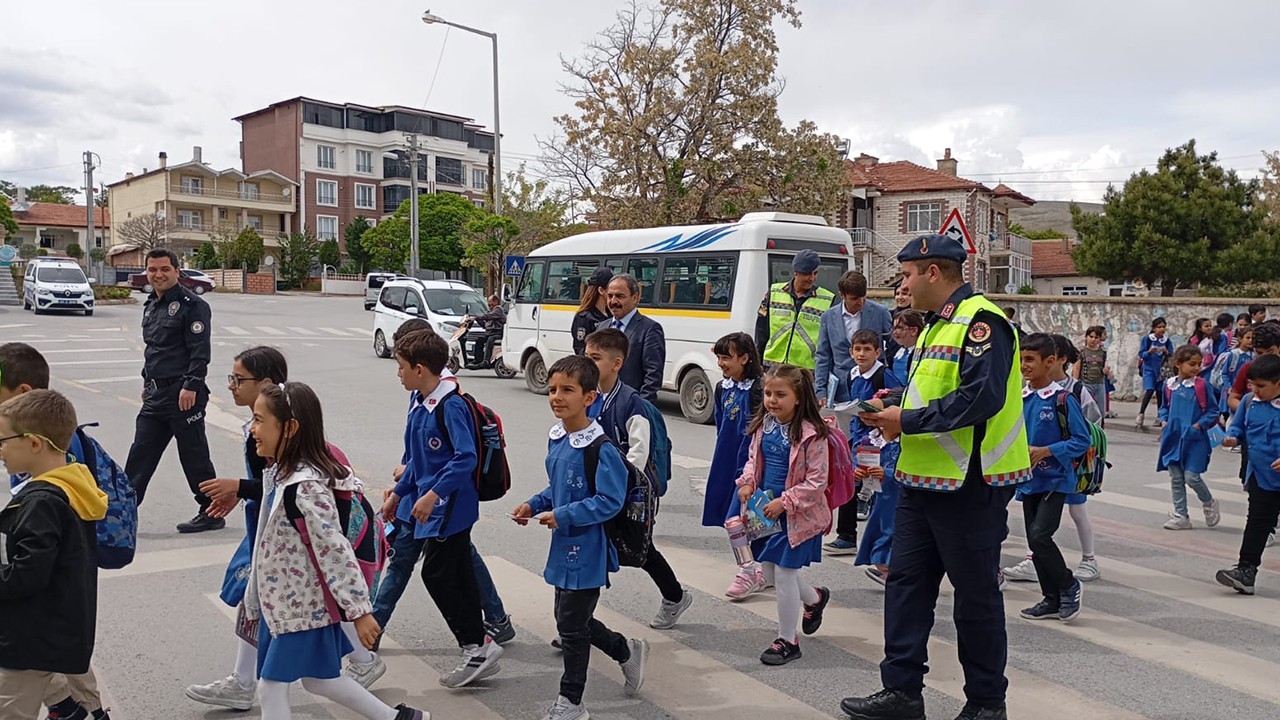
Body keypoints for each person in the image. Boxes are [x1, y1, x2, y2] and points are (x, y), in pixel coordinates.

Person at [843, 233, 1030, 720]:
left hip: (970, 484)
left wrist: (906, 420)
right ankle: (902, 692)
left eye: (906, 274)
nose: (901, 285)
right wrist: (893, 402)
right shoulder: (933, 326)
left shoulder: (982, 321)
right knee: (905, 588)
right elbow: (931, 390)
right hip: (919, 478)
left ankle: (987, 704)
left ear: (932, 271)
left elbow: (979, 398)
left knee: (975, 600)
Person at [242, 382, 426, 720]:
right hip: (283, 606)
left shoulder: (305, 485)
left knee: (271, 685)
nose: (252, 429)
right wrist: (253, 599)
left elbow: (334, 550)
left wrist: (360, 611)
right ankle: (398, 718)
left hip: (302, 609)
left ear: (290, 427)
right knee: (319, 680)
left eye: (258, 420)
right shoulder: (280, 473)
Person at [511, 355, 648, 720]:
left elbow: (609, 501)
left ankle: (571, 701)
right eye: (553, 389)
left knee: (571, 628)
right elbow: (559, 486)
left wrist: (563, 515)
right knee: (571, 621)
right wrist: (533, 503)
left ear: (589, 397)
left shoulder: (600, 448)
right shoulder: (558, 438)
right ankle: (625, 649)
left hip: (588, 549)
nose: (556, 396)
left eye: (567, 390)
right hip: (563, 546)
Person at [371, 322, 514, 651]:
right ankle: (483, 637)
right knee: (455, 566)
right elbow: (418, 459)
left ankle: (476, 644)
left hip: (444, 505)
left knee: (434, 572)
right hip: (423, 499)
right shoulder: (423, 399)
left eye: (400, 366)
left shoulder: (448, 402)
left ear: (420, 368)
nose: (398, 374)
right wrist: (399, 493)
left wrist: (431, 494)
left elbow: (465, 458)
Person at [0, 345, 111, 720]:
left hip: (30, 637)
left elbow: (28, 573)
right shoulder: (73, 484)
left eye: (3, 441)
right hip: (58, 627)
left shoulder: (41, 501)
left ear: (33, 444)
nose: (0, 451)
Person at [584, 329, 693, 629]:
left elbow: (639, 451)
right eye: (586, 355)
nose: (588, 362)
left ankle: (674, 596)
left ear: (616, 363)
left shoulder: (631, 403)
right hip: (596, 488)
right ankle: (579, 622)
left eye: (595, 358)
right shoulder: (588, 395)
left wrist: (617, 486)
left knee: (640, 550)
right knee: (593, 549)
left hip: (627, 491)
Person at [734, 364, 832, 666]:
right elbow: (753, 458)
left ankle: (787, 640)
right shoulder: (765, 424)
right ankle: (815, 598)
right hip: (765, 511)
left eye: (780, 394)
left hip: (796, 515)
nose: (772, 400)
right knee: (773, 572)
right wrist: (748, 481)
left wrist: (785, 502)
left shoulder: (813, 435)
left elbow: (817, 482)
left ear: (799, 397)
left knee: (786, 574)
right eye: (767, 393)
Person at [123, 248, 219, 533]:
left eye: (164, 269)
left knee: (194, 455)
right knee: (140, 454)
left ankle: (211, 510)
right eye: (152, 270)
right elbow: (154, 350)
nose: (158, 274)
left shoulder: (193, 305)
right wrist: (146, 382)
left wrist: (192, 384)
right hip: (155, 395)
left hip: (182, 394)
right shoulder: (151, 304)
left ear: (177, 271)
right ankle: (123, 513)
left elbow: (199, 351)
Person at [1003, 335, 1102, 585]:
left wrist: (1045, 451)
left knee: (1039, 537)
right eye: (1021, 359)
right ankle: (1050, 599)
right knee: (1034, 541)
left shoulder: (1064, 398)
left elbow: (1082, 440)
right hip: (1028, 479)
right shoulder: (1019, 397)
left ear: (1050, 362)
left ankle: (1069, 584)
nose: (1024, 365)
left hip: (1056, 478)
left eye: (1030, 359)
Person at [702, 333, 769, 600]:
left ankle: (748, 570)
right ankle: (758, 568)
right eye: (718, 357)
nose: (721, 363)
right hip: (725, 459)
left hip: (750, 463)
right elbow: (721, 421)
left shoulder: (758, 389)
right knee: (740, 518)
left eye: (726, 357)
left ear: (745, 357)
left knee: (740, 519)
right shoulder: (722, 388)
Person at [824, 329, 900, 556]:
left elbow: (897, 395)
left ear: (877, 352)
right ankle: (846, 535)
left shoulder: (882, 374)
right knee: (850, 482)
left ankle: (882, 543)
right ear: (851, 351)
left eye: (867, 349)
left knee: (877, 487)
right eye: (857, 349)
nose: (862, 354)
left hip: (877, 438)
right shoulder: (853, 373)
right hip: (857, 436)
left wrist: (879, 403)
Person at [1217, 354, 1280, 595]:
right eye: (1253, 385)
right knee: (1257, 523)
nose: (1256, 390)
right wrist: (1232, 436)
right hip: (1261, 476)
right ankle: (1246, 571)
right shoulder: (1248, 402)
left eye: (1262, 386)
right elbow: (1238, 427)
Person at [1158, 344, 1221, 531]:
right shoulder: (1169, 386)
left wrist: (1198, 425)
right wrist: (1163, 420)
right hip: (1173, 438)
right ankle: (1181, 515)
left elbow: (1213, 411)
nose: (1196, 368)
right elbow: (1164, 407)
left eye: (1199, 364)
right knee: (1176, 478)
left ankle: (1208, 502)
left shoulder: (1202, 385)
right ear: (1178, 363)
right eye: (1192, 364)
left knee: (1192, 477)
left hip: (1195, 439)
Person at [815, 270, 893, 406]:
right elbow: (823, 355)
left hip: (873, 388)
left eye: (863, 297)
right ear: (842, 295)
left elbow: (893, 346)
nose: (860, 302)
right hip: (841, 390)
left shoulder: (880, 312)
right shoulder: (828, 317)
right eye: (854, 298)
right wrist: (820, 390)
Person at [756, 249, 835, 369]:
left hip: (805, 370)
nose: (812, 278)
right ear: (796, 273)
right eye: (807, 273)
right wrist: (758, 361)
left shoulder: (827, 299)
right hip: (773, 366)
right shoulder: (774, 292)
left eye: (815, 273)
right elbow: (761, 329)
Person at [596, 274, 666, 402]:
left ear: (635, 298)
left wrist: (639, 407)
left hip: (630, 405)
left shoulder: (650, 329)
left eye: (620, 296)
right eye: (610, 296)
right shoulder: (602, 327)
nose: (613, 301)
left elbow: (653, 375)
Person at [1137, 317, 1174, 430]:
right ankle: (1141, 413)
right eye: (1159, 327)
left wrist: (1166, 351)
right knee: (1149, 389)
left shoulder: (1166, 341)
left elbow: (1172, 354)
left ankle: (1160, 416)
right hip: (1149, 369)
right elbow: (1141, 354)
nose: (1161, 329)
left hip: (1161, 371)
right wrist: (1149, 352)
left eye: (1163, 327)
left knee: (1160, 393)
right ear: (1154, 328)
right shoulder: (1147, 339)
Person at [1212, 326, 1254, 426]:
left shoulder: (1253, 356)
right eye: (1247, 338)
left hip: (1245, 390)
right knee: (1228, 413)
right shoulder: (1232, 354)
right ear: (1240, 339)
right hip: (1231, 389)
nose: (1250, 341)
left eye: (1253, 338)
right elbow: (1225, 373)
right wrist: (1228, 387)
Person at [572, 267, 613, 355]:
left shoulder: (611, 314)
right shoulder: (584, 317)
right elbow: (580, 349)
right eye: (611, 288)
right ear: (601, 290)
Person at [1074, 326, 1110, 415]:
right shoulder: (1082, 352)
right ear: (1086, 337)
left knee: (1101, 411)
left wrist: (1105, 370)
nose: (1093, 339)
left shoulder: (1102, 352)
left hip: (1100, 384)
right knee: (1087, 411)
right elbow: (1077, 368)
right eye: (1091, 336)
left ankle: (1099, 428)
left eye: (1096, 337)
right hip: (1086, 384)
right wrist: (1074, 384)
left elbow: (1103, 366)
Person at [466, 294, 507, 370]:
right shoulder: (491, 311)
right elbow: (486, 325)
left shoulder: (498, 310)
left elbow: (487, 316)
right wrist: (477, 320)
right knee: (479, 340)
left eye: (490, 301)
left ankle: (486, 361)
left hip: (498, 333)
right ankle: (478, 360)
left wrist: (475, 317)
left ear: (496, 302)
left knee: (490, 339)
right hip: (490, 333)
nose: (488, 303)